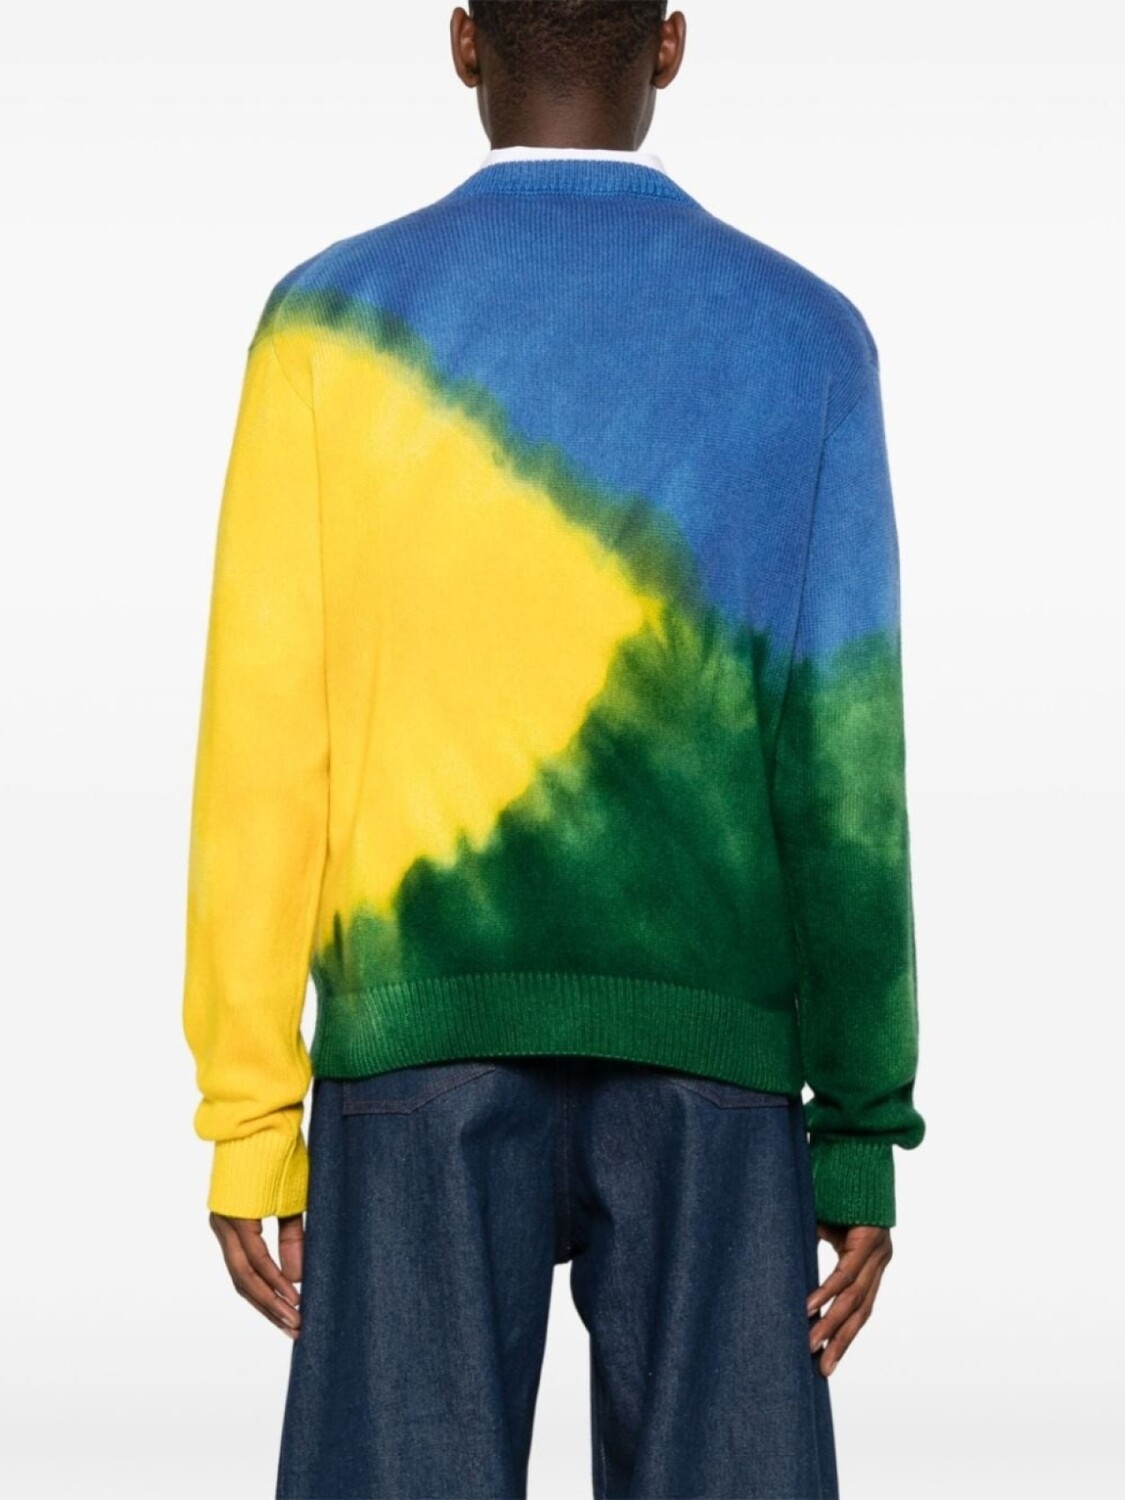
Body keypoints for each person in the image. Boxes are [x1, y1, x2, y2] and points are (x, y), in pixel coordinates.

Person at [181, 4, 926, 1496]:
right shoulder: (805, 338)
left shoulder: (328, 325)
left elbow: (264, 743)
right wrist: (856, 1122)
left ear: (464, 43)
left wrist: (251, 1117)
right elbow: (845, 765)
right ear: (670, 45)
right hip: (716, 1064)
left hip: (418, 1045)